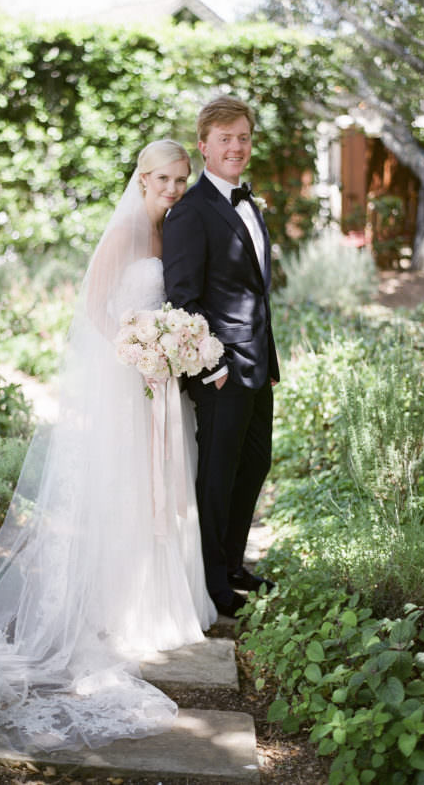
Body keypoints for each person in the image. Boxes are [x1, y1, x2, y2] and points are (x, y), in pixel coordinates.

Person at [0, 139, 217, 755]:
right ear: (140, 178)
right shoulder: (123, 235)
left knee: (160, 479)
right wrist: (137, 353)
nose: (172, 188)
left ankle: (158, 605)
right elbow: (95, 306)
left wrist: (172, 349)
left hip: (156, 380)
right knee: (121, 485)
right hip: (125, 378)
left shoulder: (172, 232)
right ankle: (116, 608)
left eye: (180, 179)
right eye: (162, 179)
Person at [163, 96, 280, 619]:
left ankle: (233, 563)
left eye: (244, 138)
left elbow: (253, 291)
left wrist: (265, 360)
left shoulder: (248, 203)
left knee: (254, 464)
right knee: (215, 476)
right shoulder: (190, 213)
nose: (236, 147)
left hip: (257, 365)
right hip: (220, 371)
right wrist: (210, 367)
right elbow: (182, 297)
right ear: (204, 145)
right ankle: (212, 584)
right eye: (226, 138)